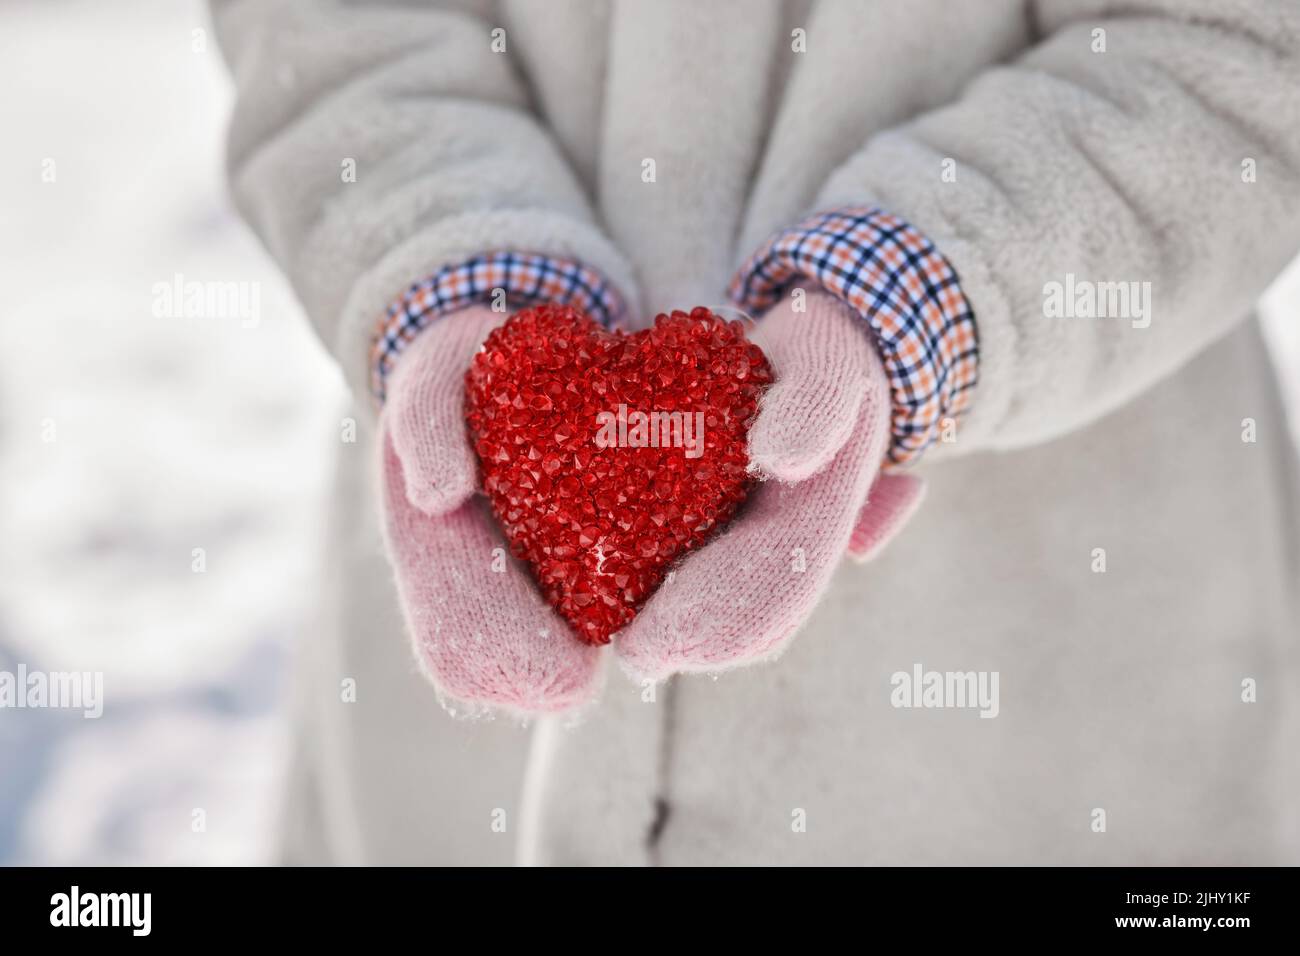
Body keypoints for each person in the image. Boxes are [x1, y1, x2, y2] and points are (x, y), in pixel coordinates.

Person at [211, 0, 1300, 865]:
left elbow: (1242, 44)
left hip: (1041, 664)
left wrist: (926, 287)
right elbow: (326, 22)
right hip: (464, 697)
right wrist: (446, 257)